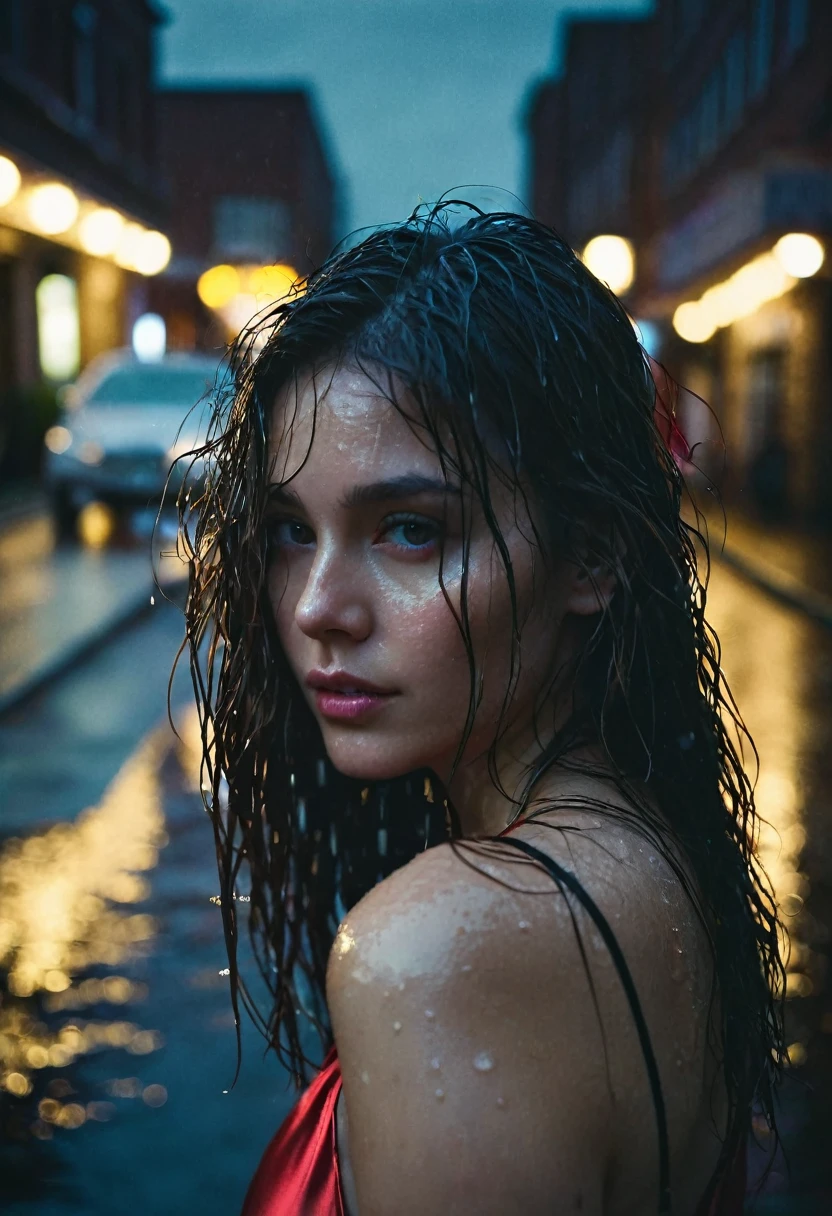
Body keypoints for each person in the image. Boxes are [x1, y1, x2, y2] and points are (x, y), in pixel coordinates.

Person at [179, 205, 784, 1215]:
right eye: (291, 530)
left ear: (589, 553)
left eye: (409, 529)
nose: (319, 606)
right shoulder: (651, 845)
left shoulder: (444, 949)